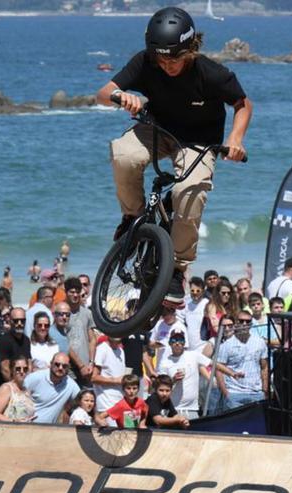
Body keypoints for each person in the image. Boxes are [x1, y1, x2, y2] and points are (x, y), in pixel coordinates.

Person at [98, 7, 252, 306]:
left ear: (191, 49)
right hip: (158, 130)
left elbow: (243, 104)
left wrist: (235, 139)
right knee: (123, 154)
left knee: (189, 193)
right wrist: (121, 97)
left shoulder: (211, 73)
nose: (167, 65)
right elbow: (103, 92)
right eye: (162, 58)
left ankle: (177, 269)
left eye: (175, 58)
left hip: (199, 142)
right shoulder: (145, 62)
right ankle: (132, 218)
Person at [216, 322, 268, 410]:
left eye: (247, 321)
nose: (244, 324)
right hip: (234, 393)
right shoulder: (226, 345)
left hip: (256, 393)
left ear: (251, 324)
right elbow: (219, 368)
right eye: (241, 321)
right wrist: (226, 393)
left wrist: (264, 390)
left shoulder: (260, 342)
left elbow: (264, 367)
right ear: (236, 323)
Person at [24, 352, 80, 424]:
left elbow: (83, 399)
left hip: (50, 430)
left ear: (68, 368)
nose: (60, 368)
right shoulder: (35, 378)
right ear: (51, 364)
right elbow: (16, 392)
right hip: (27, 426)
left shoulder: (70, 385)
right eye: (57, 364)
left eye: (64, 366)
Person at [64, 278, 97, 387]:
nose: (75, 295)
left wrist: (91, 362)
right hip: (67, 366)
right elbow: (64, 342)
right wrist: (80, 365)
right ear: (66, 292)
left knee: (87, 399)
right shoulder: (61, 314)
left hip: (86, 367)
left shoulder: (87, 313)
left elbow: (92, 339)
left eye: (77, 292)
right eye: (72, 292)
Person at [92, 334, 130, 423]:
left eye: (119, 331)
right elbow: (94, 378)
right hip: (106, 404)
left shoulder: (121, 351)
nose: (117, 333)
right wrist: (115, 380)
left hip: (120, 402)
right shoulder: (102, 349)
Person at [0, 307, 32, 386]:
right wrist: (16, 387)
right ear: (10, 321)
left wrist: (27, 384)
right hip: (8, 387)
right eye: (16, 321)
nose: (19, 323)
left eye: (22, 321)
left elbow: (29, 364)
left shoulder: (26, 340)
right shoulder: (4, 341)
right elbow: (5, 370)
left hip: (23, 386)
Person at [0, 357, 35, 422]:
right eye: (18, 369)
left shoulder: (27, 391)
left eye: (25, 369)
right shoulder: (6, 388)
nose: (22, 372)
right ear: (12, 370)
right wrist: (14, 421)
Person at [178, 277, 209, 352]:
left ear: (203, 291)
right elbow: (179, 321)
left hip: (204, 346)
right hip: (188, 347)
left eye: (198, 291)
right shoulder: (186, 305)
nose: (195, 293)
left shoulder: (208, 304)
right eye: (192, 291)